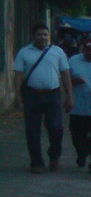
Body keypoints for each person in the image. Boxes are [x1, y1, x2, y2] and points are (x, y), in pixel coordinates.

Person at [13, 24, 73, 173]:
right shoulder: (24, 53)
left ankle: (54, 157)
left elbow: (65, 74)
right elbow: (18, 76)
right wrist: (17, 95)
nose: (43, 37)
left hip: (53, 94)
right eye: (39, 34)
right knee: (32, 130)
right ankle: (36, 162)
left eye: (45, 34)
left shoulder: (57, 52)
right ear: (33, 36)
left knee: (56, 128)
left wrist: (69, 97)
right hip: (31, 94)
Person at [67, 37, 91, 170]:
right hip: (78, 107)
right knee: (77, 136)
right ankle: (82, 152)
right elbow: (65, 79)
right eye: (88, 51)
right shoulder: (73, 60)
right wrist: (73, 81)